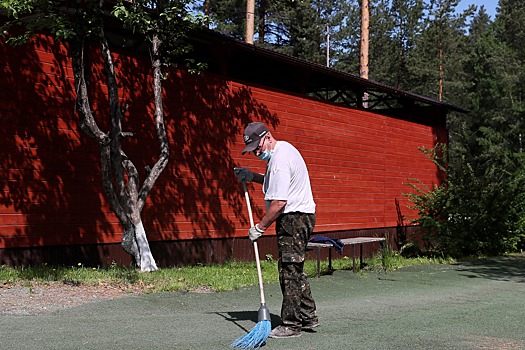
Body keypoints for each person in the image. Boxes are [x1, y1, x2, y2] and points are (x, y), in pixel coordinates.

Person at [234, 121, 318, 339]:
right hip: (299, 217)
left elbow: (279, 202)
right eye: (253, 151)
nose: (256, 153)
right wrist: (252, 176)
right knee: (294, 267)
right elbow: (275, 184)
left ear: (267, 137)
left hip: (294, 218)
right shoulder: (283, 151)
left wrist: (259, 228)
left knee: (288, 271)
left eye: (258, 148)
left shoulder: (279, 160)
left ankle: (291, 325)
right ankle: (308, 316)